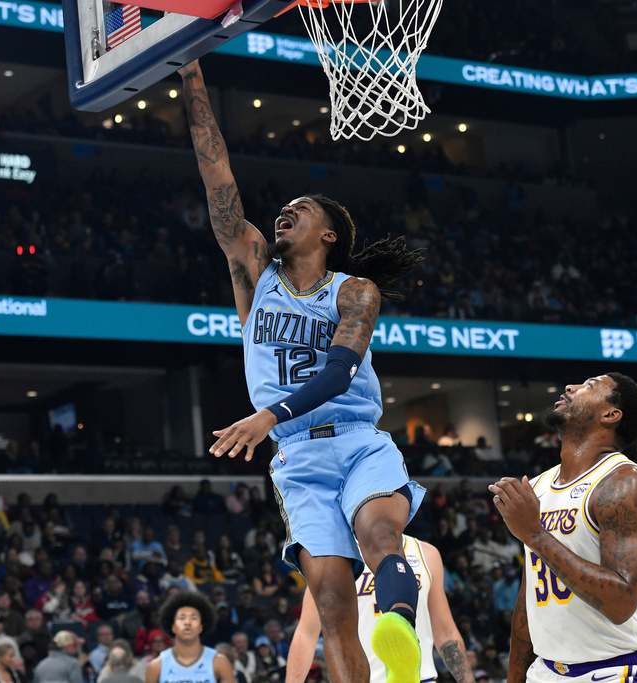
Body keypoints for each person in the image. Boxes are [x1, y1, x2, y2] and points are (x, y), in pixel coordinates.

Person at [179, 58, 427, 683]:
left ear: (330, 235)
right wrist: (191, 78)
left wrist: (266, 413)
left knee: (379, 536)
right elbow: (217, 177)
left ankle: (397, 628)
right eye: (281, 210)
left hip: (354, 439)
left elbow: (339, 373)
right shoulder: (254, 273)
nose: (284, 214)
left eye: (300, 210)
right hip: (296, 457)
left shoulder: (355, 291)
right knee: (333, 602)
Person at [489, 373, 637, 682]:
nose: (570, 387)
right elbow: (529, 596)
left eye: (590, 385)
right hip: (546, 670)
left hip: (618, 669)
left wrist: (535, 534)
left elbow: (620, 602)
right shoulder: (540, 486)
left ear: (611, 415)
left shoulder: (625, 483)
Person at [285, 535, 474, 683]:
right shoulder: (331, 559)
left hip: (419, 679)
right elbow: (306, 633)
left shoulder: (427, 554)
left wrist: (467, 680)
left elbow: (445, 631)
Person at [144, 591, 234, 683]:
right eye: (181, 618)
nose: (187, 623)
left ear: (201, 627)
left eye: (193, 618)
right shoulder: (156, 666)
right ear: (173, 627)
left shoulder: (219, 662)